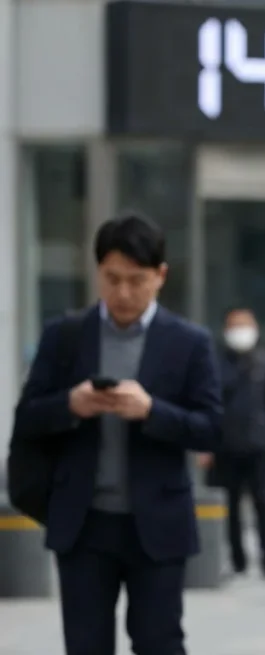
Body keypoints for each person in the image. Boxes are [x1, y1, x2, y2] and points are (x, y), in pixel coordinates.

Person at [12, 213, 222, 655]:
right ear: (98, 273)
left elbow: (211, 429)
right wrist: (72, 404)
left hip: (157, 524)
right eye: (112, 279)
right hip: (84, 523)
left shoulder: (189, 342)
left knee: (159, 642)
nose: (123, 293)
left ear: (160, 276)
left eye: (136, 280)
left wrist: (152, 411)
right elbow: (28, 417)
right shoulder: (64, 337)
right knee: (85, 645)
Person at [198, 308, 265, 579]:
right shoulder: (217, 363)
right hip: (226, 446)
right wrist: (206, 445)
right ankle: (238, 560)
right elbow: (208, 406)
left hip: (259, 444)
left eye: (245, 325)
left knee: (264, 504)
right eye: (235, 325)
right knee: (230, 507)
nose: (240, 331)